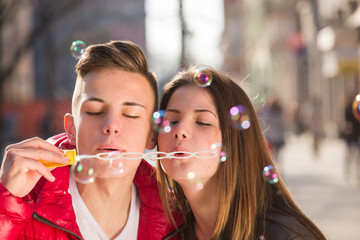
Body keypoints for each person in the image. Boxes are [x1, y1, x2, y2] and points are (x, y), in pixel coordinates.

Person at [0, 40, 182, 239]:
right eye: (95, 111)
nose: (111, 125)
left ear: (152, 136)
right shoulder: (22, 206)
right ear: (71, 129)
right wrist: (4, 207)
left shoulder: (177, 221)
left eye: (130, 114)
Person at [156, 65, 326, 239]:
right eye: (173, 120)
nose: (180, 130)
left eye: (203, 122)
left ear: (235, 142)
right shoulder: (171, 233)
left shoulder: (286, 236)